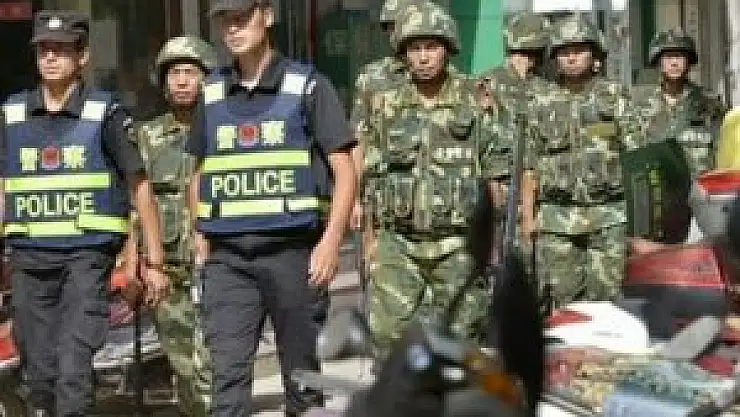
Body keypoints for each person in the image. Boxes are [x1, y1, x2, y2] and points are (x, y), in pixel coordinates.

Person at [188, 1, 356, 416]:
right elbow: (199, 172)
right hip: (228, 261)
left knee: (302, 381)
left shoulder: (308, 86)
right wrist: (200, 236)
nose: (233, 28)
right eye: (225, 21)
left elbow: (345, 170)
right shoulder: (212, 92)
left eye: (242, 18)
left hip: (293, 254)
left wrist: (331, 242)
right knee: (226, 380)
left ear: (267, 16)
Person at [0, 11, 167, 417]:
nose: (50, 57)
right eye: (43, 49)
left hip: (85, 259)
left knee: (73, 369)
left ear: (83, 56)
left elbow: (139, 187)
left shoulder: (105, 114)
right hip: (29, 260)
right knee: (39, 376)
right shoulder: (13, 114)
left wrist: (153, 260)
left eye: (60, 49)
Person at [361, 2, 501, 351]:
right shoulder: (387, 103)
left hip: (459, 245)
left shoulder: (475, 99)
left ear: (447, 49)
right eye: (414, 48)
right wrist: (370, 240)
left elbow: (496, 175)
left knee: (461, 342)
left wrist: (492, 245)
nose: (422, 57)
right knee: (388, 338)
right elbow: (373, 175)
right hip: (399, 244)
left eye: (431, 47)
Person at [527, 14, 643, 312]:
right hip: (557, 221)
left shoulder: (615, 97)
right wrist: (528, 219)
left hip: (609, 218)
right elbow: (529, 165)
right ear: (555, 57)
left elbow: (637, 158)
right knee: (565, 308)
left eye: (579, 50)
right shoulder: (540, 101)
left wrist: (641, 224)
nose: (571, 57)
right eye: (564, 51)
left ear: (594, 54)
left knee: (608, 304)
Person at [128, 35, 218, 417]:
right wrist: (138, 265)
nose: (181, 81)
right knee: (184, 368)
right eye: (174, 73)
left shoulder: (225, 130)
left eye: (190, 73)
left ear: (207, 79)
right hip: (169, 273)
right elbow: (135, 207)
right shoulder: (145, 137)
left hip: (221, 268)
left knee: (216, 362)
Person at [632, 28, 726, 178]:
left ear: (689, 61)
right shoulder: (641, 107)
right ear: (658, 62)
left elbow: (724, 151)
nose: (674, 63)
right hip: (660, 188)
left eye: (680, 57)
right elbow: (635, 157)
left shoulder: (710, 103)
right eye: (668, 57)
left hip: (700, 188)